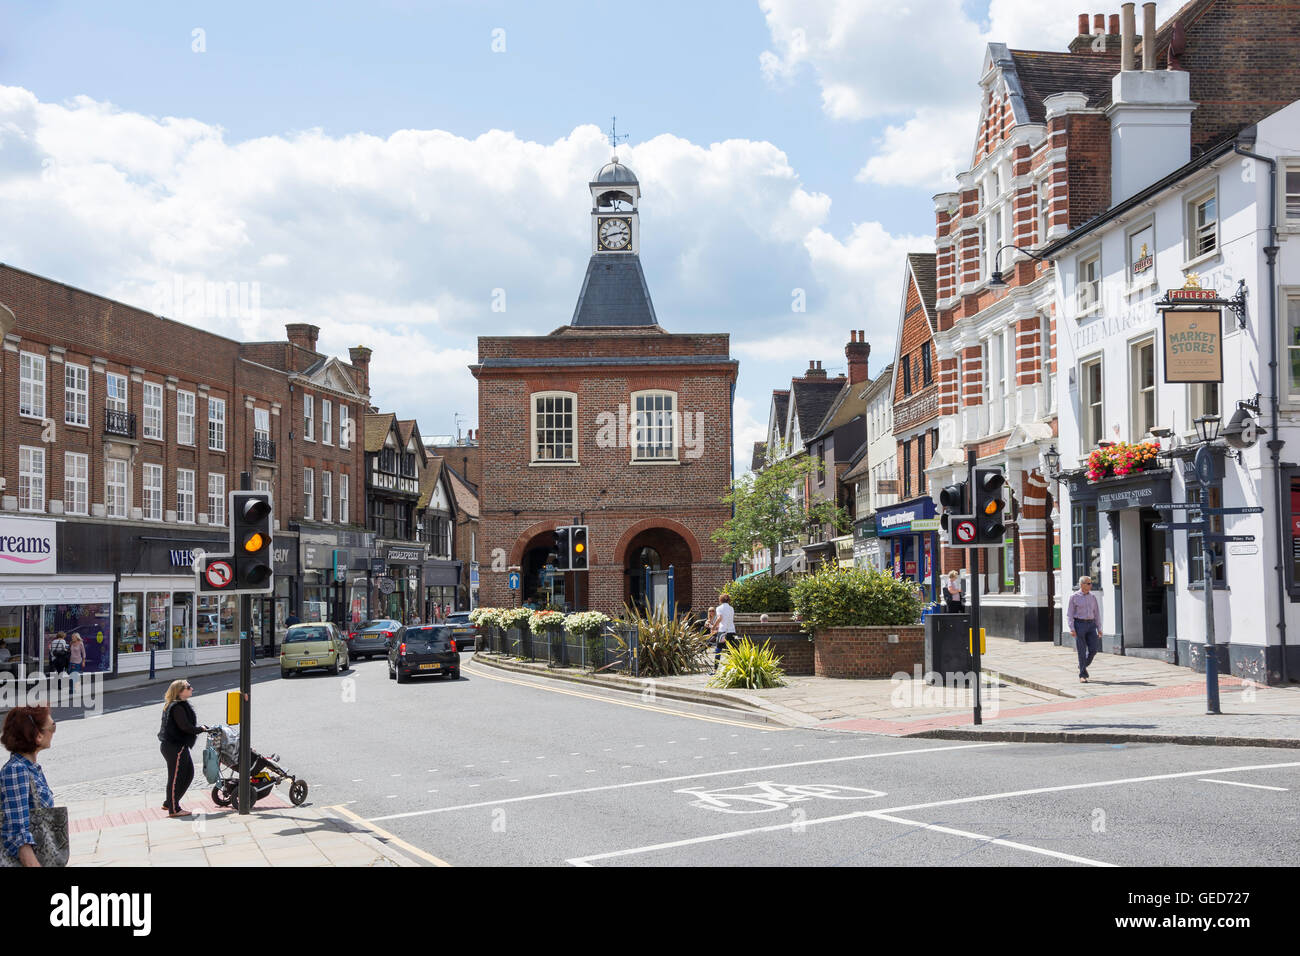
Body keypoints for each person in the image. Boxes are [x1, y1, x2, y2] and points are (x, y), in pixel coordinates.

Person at [1, 706, 57, 866]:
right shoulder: (16, 770)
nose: (54, 731)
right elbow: (17, 834)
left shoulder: (31, 768)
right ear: (38, 736)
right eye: (53, 726)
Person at [158, 680, 208, 816]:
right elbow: (185, 727)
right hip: (175, 746)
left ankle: (169, 803)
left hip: (177, 746)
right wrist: (201, 729)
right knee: (176, 778)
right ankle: (174, 809)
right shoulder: (177, 707)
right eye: (188, 687)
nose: (192, 688)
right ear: (180, 691)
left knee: (188, 774)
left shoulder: (178, 705)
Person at [1066, 575, 1103, 683]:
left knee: (1094, 649)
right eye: (1088, 583)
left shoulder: (1092, 597)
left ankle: (1082, 665)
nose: (1091, 585)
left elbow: (1097, 614)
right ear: (1082, 585)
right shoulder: (1074, 597)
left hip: (1091, 625)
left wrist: (1099, 628)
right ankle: (1082, 675)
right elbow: (1070, 614)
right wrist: (1072, 628)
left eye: (1091, 583)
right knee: (1081, 651)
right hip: (1079, 624)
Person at [712, 594, 737, 673]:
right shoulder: (731, 608)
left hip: (722, 631)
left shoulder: (719, 608)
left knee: (718, 650)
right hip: (732, 631)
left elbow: (720, 618)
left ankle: (715, 670)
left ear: (720, 600)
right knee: (731, 651)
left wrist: (714, 626)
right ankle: (732, 670)